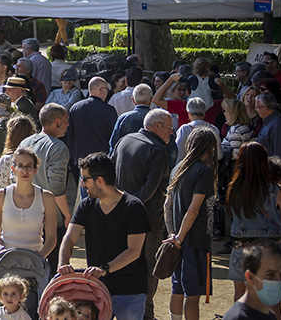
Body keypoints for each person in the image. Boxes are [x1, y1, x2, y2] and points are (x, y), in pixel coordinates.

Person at [58, 152, 150, 320]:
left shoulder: (133, 207)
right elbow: (69, 238)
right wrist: (63, 264)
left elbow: (134, 251)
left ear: (99, 180)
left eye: (85, 179)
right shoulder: (86, 206)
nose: (82, 184)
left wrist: (104, 269)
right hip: (97, 289)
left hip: (130, 290)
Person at [113, 108, 174, 320]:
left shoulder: (124, 141)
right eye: (169, 128)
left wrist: (119, 207)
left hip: (119, 216)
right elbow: (150, 189)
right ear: (157, 126)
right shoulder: (157, 150)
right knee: (148, 268)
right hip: (147, 221)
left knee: (121, 263)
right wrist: (130, 207)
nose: (171, 133)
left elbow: (109, 175)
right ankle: (146, 313)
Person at [227, 142, 281, 302]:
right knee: (272, 301)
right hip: (270, 248)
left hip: (241, 247)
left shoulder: (233, 188)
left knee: (240, 296)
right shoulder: (275, 189)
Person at [167, 127, 219, 320]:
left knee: (177, 288)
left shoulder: (178, 168)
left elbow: (167, 205)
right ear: (211, 147)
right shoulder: (203, 171)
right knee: (193, 294)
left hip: (178, 240)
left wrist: (173, 235)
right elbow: (193, 210)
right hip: (195, 240)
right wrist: (180, 237)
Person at [0, 147, 57, 258]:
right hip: (6, 258)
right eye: (20, 166)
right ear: (13, 169)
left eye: (29, 166)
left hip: (35, 259)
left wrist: (40, 257)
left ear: (35, 170)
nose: (25, 171)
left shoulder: (47, 197)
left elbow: (52, 238)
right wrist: (1, 250)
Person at [23, 104, 71, 248]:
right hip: (50, 219)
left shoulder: (25, 142)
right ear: (57, 122)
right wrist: (67, 215)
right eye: (66, 121)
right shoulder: (57, 147)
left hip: (26, 215)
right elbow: (56, 187)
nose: (68, 124)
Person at [223, 241, 281, 320]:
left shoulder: (269, 315)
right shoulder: (239, 317)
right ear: (250, 277)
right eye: (270, 275)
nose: (279, 281)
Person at [110, 83, 154, 151]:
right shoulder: (157, 118)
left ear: (133, 99)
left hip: (127, 155)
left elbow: (114, 143)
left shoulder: (123, 118)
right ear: (151, 100)